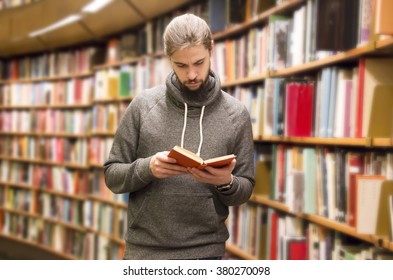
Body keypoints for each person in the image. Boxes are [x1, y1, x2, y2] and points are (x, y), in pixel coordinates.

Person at [104, 13, 255, 260]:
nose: (192, 74)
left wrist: (225, 181)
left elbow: (246, 188)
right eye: (181, 66)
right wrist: (147, 168)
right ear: (169, 59)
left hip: (207, 252)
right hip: (145, 251)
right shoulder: (143, 105)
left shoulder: (236, 114)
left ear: (211, 49)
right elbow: (112, 175)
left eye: (199, 62)